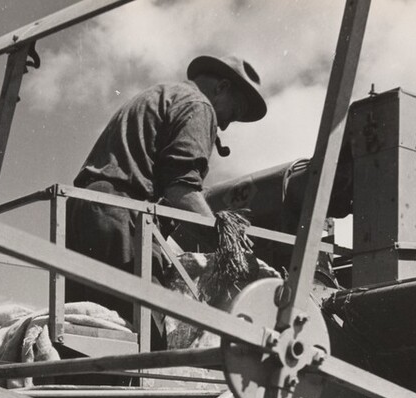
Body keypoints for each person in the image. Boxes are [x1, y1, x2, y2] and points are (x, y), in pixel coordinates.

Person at [65, 54, 268, 324]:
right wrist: (224, 244)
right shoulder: (199, 105)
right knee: (148, 334)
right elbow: (181, 187)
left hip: (84, 210)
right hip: (119, 214)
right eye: (234, 112)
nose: (226, 124)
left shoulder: (162, 94)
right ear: (221, 88)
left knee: (85, 325)